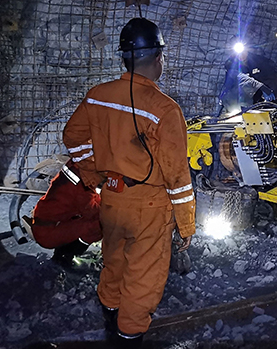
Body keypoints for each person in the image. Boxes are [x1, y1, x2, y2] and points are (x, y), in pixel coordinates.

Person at [62, 18, 196, 348]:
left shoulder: (98, 96)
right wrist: (186, 224)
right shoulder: (164, 109)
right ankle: (128, 337)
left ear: (125, 58)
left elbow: (73, 136)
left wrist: (94, 174)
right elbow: (177, 175)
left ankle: (110, 320)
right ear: (158, 58)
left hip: (112, 198)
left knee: (114, 263)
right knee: (143, 278)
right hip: (150, 206)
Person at [27, 159, 102, 268]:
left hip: (46, 222)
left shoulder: (77, 164)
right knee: (98, 224)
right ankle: (64, 257)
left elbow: (91, 196)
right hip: (48, 232)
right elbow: (92, 211)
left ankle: (63, 253)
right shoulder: (82, 185)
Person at [218, 38, 277, 114]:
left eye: (243, 52)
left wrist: (272, 91)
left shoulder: (259, 61)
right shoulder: (231, 64)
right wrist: (261, 87)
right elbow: (241, 79)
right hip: (242, 99)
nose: (241, 55)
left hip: (261, 98)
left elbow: (272, 75)